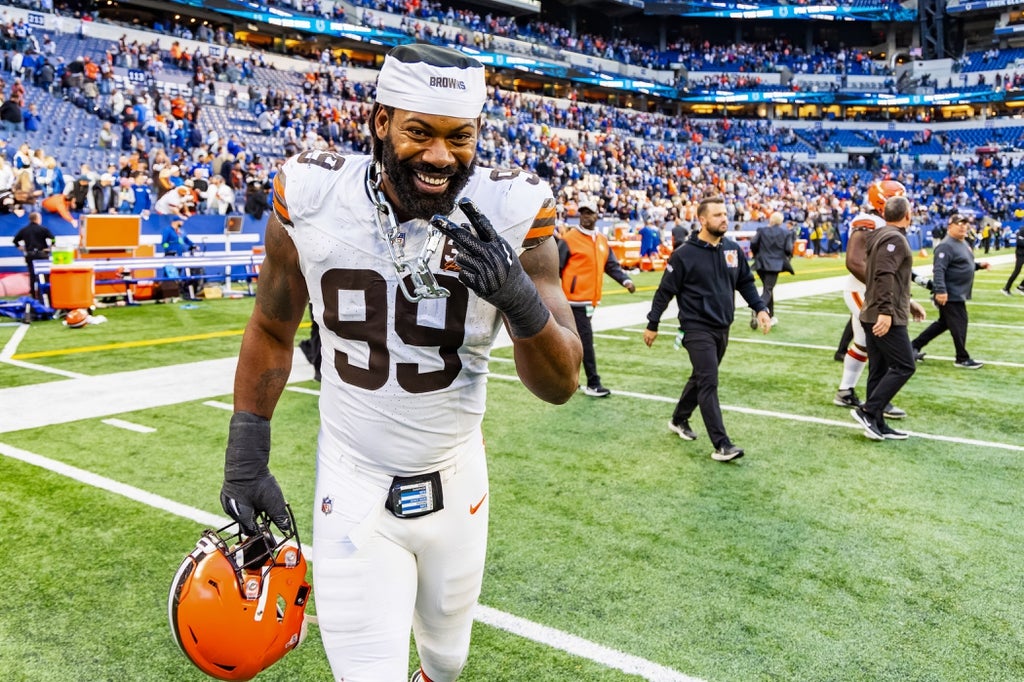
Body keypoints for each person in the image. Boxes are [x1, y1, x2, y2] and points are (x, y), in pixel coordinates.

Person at [218, 43, 582, 682]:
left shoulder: (511, 210)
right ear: (380, 122)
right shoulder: (312, 194)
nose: (441, 155)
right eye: (419, 131)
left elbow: (562, 383)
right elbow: (272, 330)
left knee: (447, 663)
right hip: (354, 480)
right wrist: (245, 457)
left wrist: (517, 297)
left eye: (458, 136)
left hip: (459, 478)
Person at [642, 196, 771, 462]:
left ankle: (679, 419)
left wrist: (760, 309)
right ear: (702, 220)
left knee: (700, 377)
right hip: (695, 327)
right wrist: (652, 324)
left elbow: (745, 283)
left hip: (723, 326)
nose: (724, 218)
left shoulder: (733, 250)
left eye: (725, 214)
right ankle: (722, 444)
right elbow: (664, 292)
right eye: (717, 215)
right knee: (709, 381)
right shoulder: (684, 254)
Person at [833, 180, 912, 420]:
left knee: (864, 344)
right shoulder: (869, 222)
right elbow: (855, 262)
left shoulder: (883, 225)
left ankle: (846, 391)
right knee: (885, 345)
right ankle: (877, 402)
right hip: (863, 291)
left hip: (871, 291)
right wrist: (882, 291)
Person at [851, 195, 927, 441]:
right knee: (905, 365)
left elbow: (892, 277)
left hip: (877, 310)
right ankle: (868, 411)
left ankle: (877, 421)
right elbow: (884, 274)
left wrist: (909, 302)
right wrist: (886, 311)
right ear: (907, 214)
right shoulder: (893, 238)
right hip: (883, 313)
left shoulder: (884, 235)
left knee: (880, 368)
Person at [557, 196, 635, 397]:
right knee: (585, 341)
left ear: (597, 216)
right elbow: (556, 268)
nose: (585, 216)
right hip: (574, 301)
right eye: (582, 213)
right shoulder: (569, 239)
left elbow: (611, 265)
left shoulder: (601, 240)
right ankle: (593, 382)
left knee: (574, 343)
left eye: (589, 213)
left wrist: (626, 281)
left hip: (590, 301)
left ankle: (566, 381)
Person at [911, 214, 989, 369]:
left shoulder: (962, 243)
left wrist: (979, 265)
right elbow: (939, 270)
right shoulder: (946, 246)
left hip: (957, 292)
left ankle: (912, 347)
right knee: (960, 323)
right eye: (958, 223)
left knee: (943, 324)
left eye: (965, 223)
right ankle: (962, 357)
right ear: (950, 226)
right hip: (950, 293)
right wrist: (940, 290)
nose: (962, 226)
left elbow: (964, 263)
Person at [748, 210, 794, 328]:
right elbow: (788, 249)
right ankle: (758, 309)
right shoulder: (785, 233)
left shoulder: (762, 230)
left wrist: (757, 254)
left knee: (768, 289)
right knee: (768, 289)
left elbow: (753, 243)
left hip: (761, 263)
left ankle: (771, 315)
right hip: (774, 265)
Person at [12, 211, 55, 300]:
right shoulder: (43, 229)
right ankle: (46, 293)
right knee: (45, 275)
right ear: (37, 219)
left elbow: (15, 241)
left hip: (30, 255)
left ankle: (33, 294)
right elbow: (53, 239)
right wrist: (50, 247)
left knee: (32, 275)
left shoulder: (24, 230)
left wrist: (21, 248)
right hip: (42, 255)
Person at [1001, 224, 1024, 296]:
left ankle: (1021, 287)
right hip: (1020, 254)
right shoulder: (1022, 230)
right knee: (1017, 271)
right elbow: (1019, 242)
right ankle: (1006, 288)